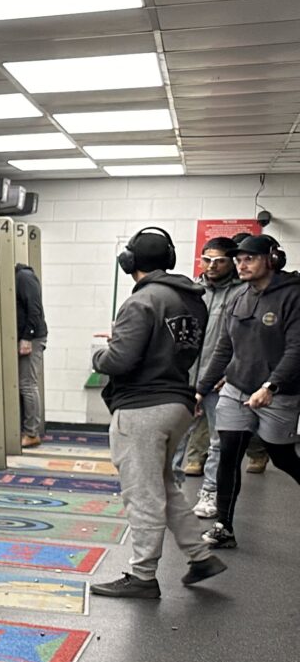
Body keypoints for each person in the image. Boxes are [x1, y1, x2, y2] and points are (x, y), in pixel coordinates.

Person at [87, 227, 223, 597]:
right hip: (177, 403)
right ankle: (200, 557)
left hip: (142, 408)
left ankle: (143, 576)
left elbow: (120, 359)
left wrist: (98, 353)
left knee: (142, 494)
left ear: (129, 262)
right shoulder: (194, 300)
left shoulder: (141, 301)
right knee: (164, 487)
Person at [199, 231, 300, 550]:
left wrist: (272, 385)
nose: (242, 265)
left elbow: (297, 348)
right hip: (236, 388)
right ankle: (223, 526)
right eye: (239, 260)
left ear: (271, 259)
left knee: (282, 456)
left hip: (279, 393)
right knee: (229, 453)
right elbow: (223, 348)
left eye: (250, 259)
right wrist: (200, 389)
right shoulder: (238, 297)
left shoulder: (292, 295)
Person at [184, 237, 266, 506]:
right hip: (189, 377)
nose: (212, 266)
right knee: (177, 435)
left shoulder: (244, 293)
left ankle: (209, 494)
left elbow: (249, 341)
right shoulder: (192, 290)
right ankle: (171, 491)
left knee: (220, 441)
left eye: (219, 260)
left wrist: (229, 373)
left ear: (230, 262)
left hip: (222, 380)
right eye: (207, 260)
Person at [15, 256, 47, 447]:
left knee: (27, 384)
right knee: (24, 385)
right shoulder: (17, 277)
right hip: (23, 337)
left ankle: (31, 433)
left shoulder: (24, 276)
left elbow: (35, 309)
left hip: (32, 338)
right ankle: (27, 429)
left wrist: (27, 337)